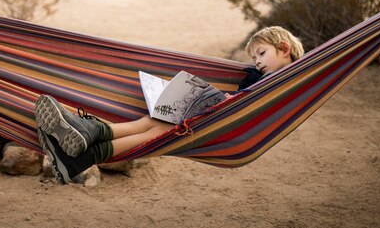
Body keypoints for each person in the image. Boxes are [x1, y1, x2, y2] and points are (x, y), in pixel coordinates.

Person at [35, 26, 304, 184]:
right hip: (208, 118)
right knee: (153, 125)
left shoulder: (291, 80)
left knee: (160, 125)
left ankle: (88, 137)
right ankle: (82, 152)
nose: (257, 61)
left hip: (229, 128)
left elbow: (250, 109)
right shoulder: (256, 76)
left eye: (261, 53)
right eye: (255, 56)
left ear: (284, 48)